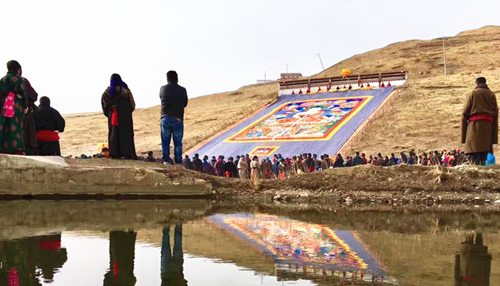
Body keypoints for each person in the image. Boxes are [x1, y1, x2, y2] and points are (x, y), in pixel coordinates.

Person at [461, 77, 499, 165]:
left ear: (477, 83)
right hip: (487, 131)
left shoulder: (472, 94)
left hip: (473, 130)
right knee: (484, 158)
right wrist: (494, 139)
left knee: (473, 158)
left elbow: (464, 114)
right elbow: (496, 116)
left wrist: (464, 137)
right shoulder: (492, 95)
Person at [101, 73, 137, 160]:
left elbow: (104, 105)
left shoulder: (107, 92)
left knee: (114, 134)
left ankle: (115, 153)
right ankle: (127, 153)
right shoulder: (126, 90)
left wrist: (110, 114)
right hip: (126, 116)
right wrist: (126, 112)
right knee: (126, 134)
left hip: (113, 115)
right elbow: (132, 104)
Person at [160, 71, 188, 165]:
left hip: (165, 117)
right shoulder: (182, 90)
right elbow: (185, 103)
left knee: (165, 141)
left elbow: (161, 98)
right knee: (178, 142)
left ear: (167, 79)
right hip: (178, 118)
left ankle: (166, 160)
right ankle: (178, 162)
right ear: (177, 79)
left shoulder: (162, 89)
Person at [0, 60, 28, 155]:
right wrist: (25, 105)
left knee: (5, 125)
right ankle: (16, 148)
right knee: (16, 126)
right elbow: (24, 93)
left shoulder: (3, 79)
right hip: (16, 105)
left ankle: (3, 147)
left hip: (5, 104)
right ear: (18, 69)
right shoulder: (19, 79)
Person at [21, 75, 38, 155]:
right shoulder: (23, 80)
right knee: (28, 134)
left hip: (5, 111)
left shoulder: (3, 81)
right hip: (23, 111)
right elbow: (33, 95)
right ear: (19, 70)